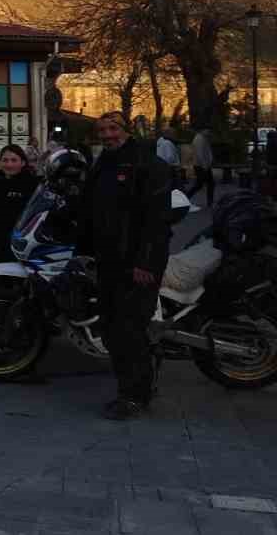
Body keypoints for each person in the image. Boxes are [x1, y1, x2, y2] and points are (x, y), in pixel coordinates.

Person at [84, 111, 173, 420]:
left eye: (113, 128)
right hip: (109, 260)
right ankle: (135, 384)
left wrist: (145, 262)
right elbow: (91, 207)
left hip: (137, 263)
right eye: (102, 130)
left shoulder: (148, 164)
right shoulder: (103, 162)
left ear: (126, 130)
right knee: (110, 327)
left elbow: (157, 220)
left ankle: (134, 396)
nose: (108, 135)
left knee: (128, 329)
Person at [0, 144, 38, 260]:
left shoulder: (32, 184)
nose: (9, 164)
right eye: (5, 160)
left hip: (23, 242)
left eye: (14, 160)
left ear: (23, 162)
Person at [186, 128, 216, 209]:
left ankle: (210, 202)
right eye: (208, 131)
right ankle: (186, 198)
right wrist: (204, 165)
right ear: (203, 130)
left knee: (208, 184)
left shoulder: (203, 138)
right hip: (201, 165)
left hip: (203, 165)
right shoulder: (199, 139)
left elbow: (206, 152)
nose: (209, 133)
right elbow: (200, 154)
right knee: (200, 184)